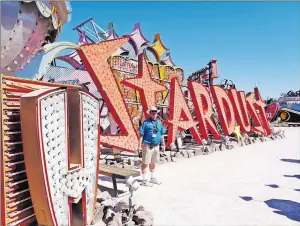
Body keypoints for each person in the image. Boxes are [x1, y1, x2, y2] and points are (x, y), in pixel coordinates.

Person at [138, 106, 166, 186]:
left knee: (153, 162)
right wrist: (139, 146)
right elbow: (141, 135)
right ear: (150, 113)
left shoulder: (159, 123)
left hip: (156, 146)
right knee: (145, 163)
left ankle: (152, 178)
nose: (154, 113)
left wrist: (163, 145)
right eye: (152, 111)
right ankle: (144, 180)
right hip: (147, 145)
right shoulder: (146, 122)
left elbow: (161, 134)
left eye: (155, 111)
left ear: (157, 113)